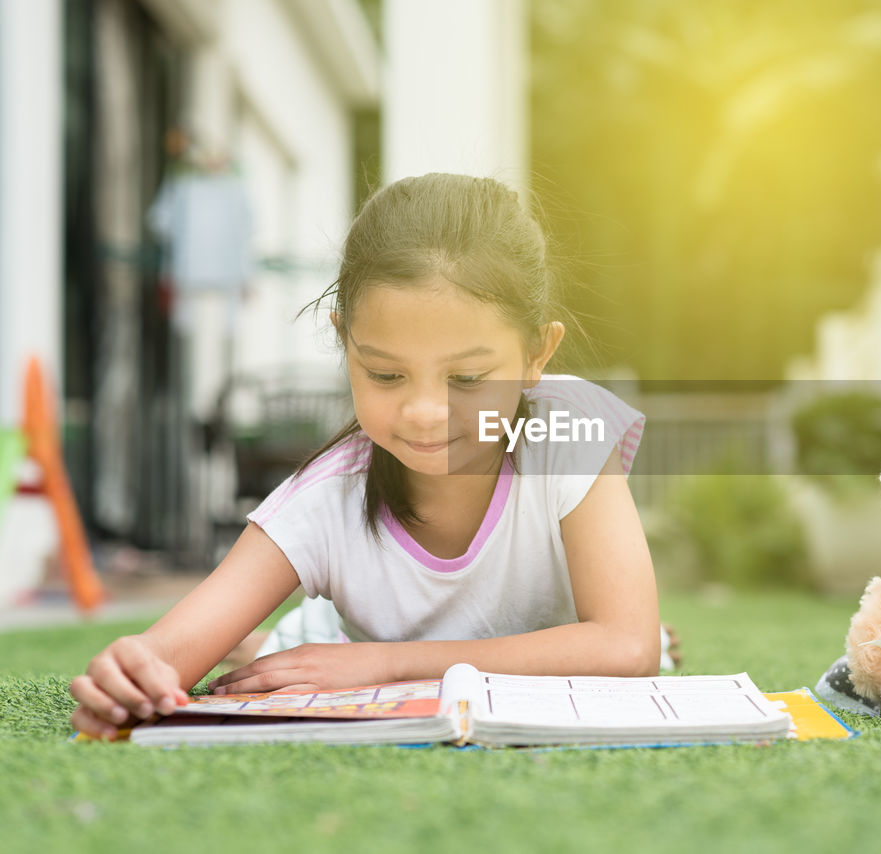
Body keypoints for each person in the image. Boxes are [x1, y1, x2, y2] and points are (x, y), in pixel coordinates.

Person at [70, 173, 662, 740]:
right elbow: (164, 654)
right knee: (290, 651)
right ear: (343, 341)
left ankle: (279, 641)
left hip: (367, 652)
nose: (426, 411)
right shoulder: (326, 496)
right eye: (385, 373)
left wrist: (386, 664)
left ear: (537, 354)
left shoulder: (568, 433)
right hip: (336, 644)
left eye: (469, 376)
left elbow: (629, 647)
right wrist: (131, 672)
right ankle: (268, 642)